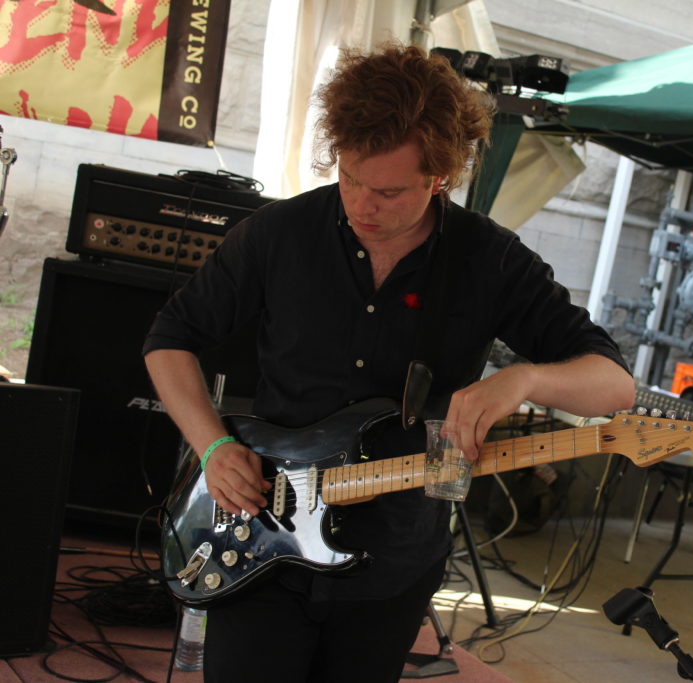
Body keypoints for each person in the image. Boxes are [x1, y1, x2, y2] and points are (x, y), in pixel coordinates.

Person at [143, 44, 635, 682]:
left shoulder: (490, 261)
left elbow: (615, 386)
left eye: (389, 191)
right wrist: (212, 448)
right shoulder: (279, 233)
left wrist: (528, 377)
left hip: (392, 562)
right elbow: (168, 339)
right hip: (258, 537)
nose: (360, 204)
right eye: (349, 178)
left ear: (441, 177)